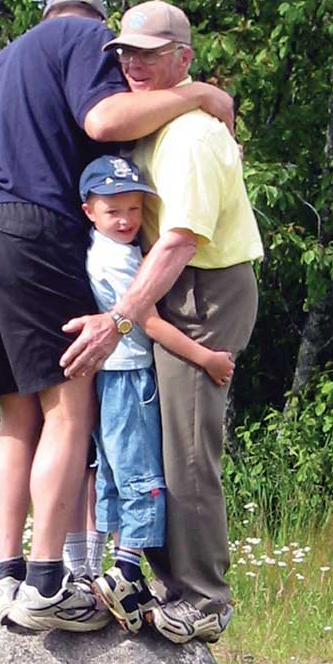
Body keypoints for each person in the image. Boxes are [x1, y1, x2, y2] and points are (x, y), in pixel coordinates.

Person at [0, 0, 237, 632]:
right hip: (31, 229)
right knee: (69, 404)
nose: (118, 64)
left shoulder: (1, 65)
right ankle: (51, 582)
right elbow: (105, 122)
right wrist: (198, 94)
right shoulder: (79, 39)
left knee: (15, 416)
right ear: (95, 29)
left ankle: (10, 573)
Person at [60, 0, 264, 644]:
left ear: (184, 57)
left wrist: (120, 318)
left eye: (149, 52)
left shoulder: (196, 136)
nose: (133, 64)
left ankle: (204, 601)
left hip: (202, 290)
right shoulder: (160, 119)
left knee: (188, 451)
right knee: (154, 447)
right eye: (124, 53)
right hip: (168, 288)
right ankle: (166, 585)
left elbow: (178, 242)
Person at [76, 154, 233, 634]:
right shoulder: (118, 261)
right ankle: (124, 571)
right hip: (130, 378)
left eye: (134, 210)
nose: (125, 221)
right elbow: (151, 323)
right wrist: (205, 357)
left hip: (112, 377)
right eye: (113, 211)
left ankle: (105, 565)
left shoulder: (104, 248)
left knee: (116, 469)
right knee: (142, 473)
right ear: (90, 211)